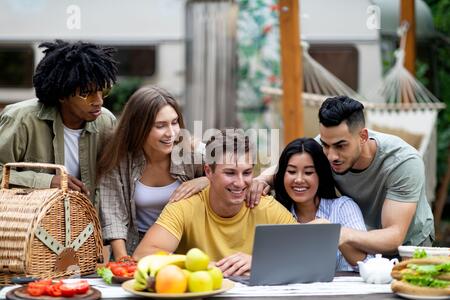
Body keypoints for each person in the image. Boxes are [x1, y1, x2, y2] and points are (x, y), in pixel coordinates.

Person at [249, 96, 434, 256]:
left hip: (409, 248)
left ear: (363, 136)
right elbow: (285, 168)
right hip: (360, 246)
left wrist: (338, 233)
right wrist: (261, 180)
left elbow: (394, 236)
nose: (331, 156)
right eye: (325, 145)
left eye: (340, 146)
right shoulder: (326, 149)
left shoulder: (403, 162)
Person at [133, 130, 297, 276]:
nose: (240, 183)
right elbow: (143, 254)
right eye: (230, 173)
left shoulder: (264, 206)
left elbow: (303, 252)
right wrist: (201, 266)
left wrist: (259, 261)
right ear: (208, 172)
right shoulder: (185, 206)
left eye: (247, 172)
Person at [0, 39, 118, 207]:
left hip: (85, 227)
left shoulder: (106, 122)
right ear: (62, 95)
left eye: (103, 91)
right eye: (86, 93)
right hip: (29, 226)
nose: (98, 101)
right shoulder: (22, 119)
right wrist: (47, 182)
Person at [97, 86, 209, 261]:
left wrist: (205, 180)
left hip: (186, 249)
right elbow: (113, 212)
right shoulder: (118, 156)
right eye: (160, 125)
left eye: (174, 122)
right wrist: (122, 259)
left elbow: (227, 172)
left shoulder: (191, 153)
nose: (171, 133)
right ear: (139, 127)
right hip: (137, 250)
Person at [273, 137, 370, 271]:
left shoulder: (343, 208)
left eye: (308, 172)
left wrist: (333, 233)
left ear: (320, 174)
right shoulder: (274, 211)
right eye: (291, 171)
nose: (299, 179)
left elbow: (368, 264)